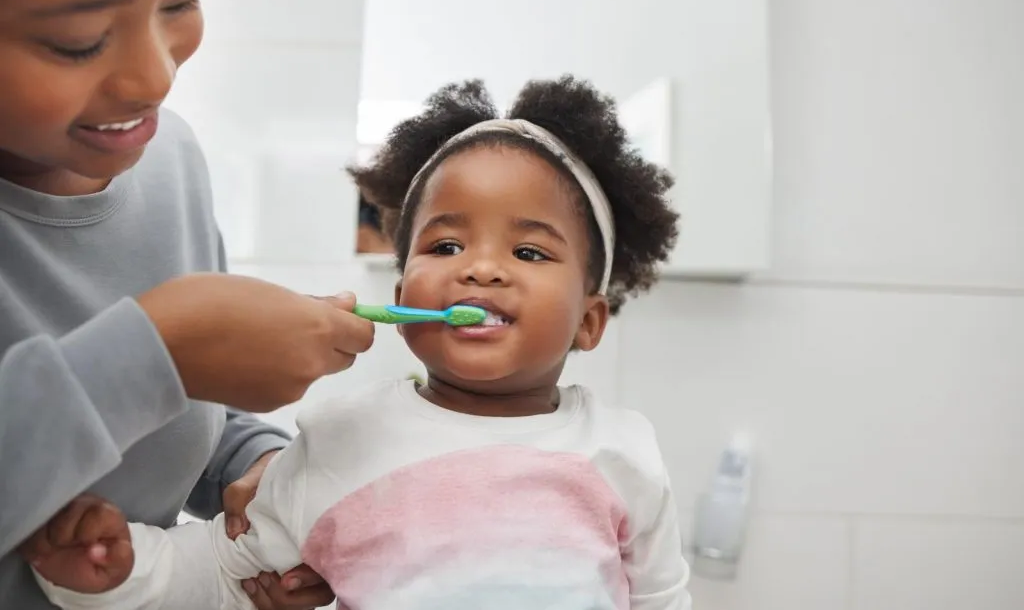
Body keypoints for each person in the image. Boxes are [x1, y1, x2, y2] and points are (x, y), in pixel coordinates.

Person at [29, 76, 692, 609]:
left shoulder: (624, 454)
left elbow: (662, 598)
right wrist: (110, 571)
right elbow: (223, 572)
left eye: (526, 249)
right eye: (446, 244)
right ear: (402, 292)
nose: (481, 268)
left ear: (589, 320)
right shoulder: (341, 442)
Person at [0, 0, 374, 608]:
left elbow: (185, 414)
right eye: (79, 39)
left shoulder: (168, 157)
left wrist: (254, 464)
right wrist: (158, 351)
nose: (157, 78)